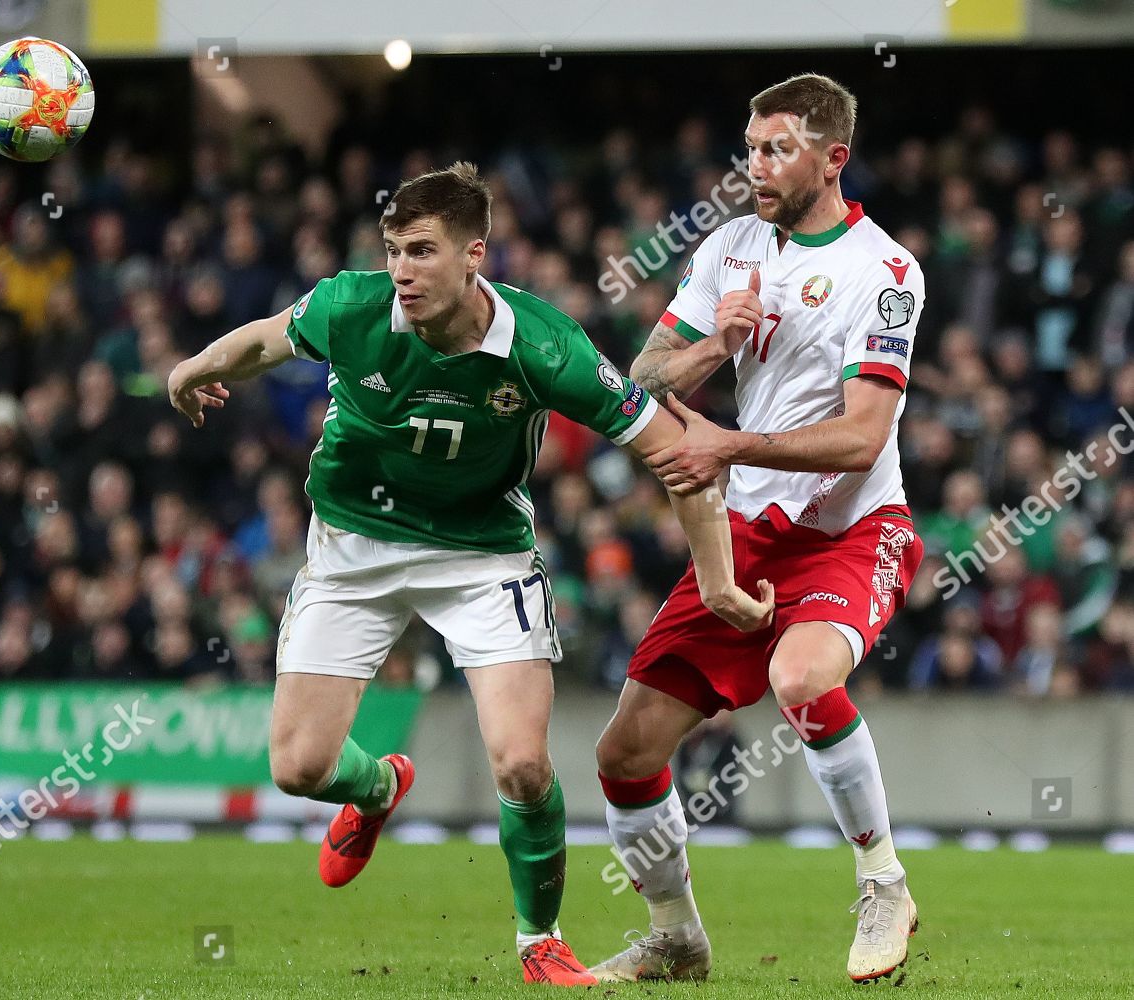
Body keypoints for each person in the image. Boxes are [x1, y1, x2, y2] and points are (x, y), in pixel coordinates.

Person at [168, 162, 773, 987]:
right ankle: (378, 788)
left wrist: (718, 579)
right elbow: (265, 339)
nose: (401, 272)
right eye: (392, 251)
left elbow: (679, 454)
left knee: (522, 763)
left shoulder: (543, 345)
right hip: (353, 547)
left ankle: (539, 941)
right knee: (298, 768)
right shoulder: (351, 308)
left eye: (421, 251)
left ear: (474, 254)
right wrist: (192, 368)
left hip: (482, 554)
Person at [590, 74, 927, 984]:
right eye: (750, 147)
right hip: (746, 528)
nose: (757, 165)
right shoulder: (729, 247)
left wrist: (730, 440)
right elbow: (642, 377)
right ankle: (674, 936)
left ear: (833, 157)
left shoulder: (885, 272)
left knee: (801, 676)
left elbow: (863, 439)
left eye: (777, 147)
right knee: (624, 753)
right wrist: (713, 347)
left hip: (853, 528)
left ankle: (882, 880)